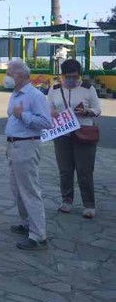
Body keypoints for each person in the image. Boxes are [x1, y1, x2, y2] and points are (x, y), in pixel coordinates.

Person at [4, 59, 53, 251]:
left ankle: (38, 235)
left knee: (30, 190)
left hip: (27, 146)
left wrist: (22, 116)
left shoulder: (35, 95)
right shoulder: (16, 94)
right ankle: (27, 223)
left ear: (19, 75)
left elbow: (46, 122)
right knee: (17, 189)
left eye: (9, 73)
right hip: (14, 146)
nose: (6, 77)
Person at [47, 59, 101, 218]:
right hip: (62, 134)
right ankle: (66, 200)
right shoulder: (55, 89)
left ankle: (89, 205)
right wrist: (52, 113)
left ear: (80, 75)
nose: (72, 79)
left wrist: (87, 112)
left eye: (75, 76)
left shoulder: (88, 88)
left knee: (85, 171)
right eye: (69, 76)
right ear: (62, 75)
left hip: (84, 133)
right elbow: (48, 108)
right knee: (65, 170)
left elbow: (97, 109)